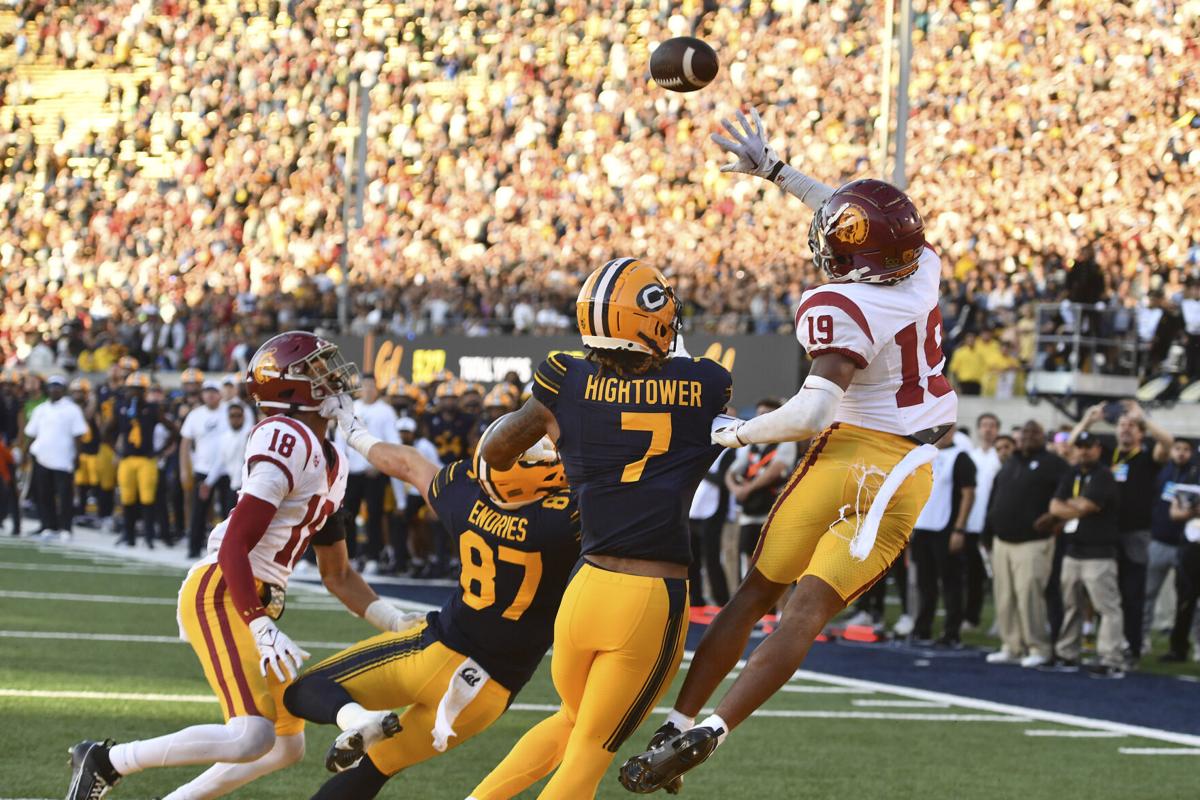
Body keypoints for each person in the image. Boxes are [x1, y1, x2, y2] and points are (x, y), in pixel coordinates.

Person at [620, 109, 956, 792]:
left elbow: (810, 411)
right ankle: (715, 731)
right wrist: (778, 173)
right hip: (911, 472)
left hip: (850, 453)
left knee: (753, 596)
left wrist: (733, 432)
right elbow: (858, 219)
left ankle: (678, 723)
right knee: (807, 612)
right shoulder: (923, 265)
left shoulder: (841, 303)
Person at [66, 332, 398, 800]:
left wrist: (396, 619)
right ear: (289, 386)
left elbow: (337, 573)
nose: (333, 378)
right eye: (317, 370)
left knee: (285, 746)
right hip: (224, 590)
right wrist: (258, 623)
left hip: (254, 594)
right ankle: (105, 761)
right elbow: (235, 543)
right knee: (251, 735)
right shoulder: (286, 435)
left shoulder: (333, 457)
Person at [467, 257, 732, 800]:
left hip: (584, 590)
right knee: (588, 755)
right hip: (649, 598)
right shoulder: (705, 381)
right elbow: (682, 381)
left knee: (571, 721)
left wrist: (554, 436)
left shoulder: (564, 377)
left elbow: (495, 450)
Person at [285, 404, 579, 799]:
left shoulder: (464, 497)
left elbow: (407, 464)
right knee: (376, 769)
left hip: (437, 653)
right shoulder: (566, 521)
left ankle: (359, 719)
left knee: (303, 691)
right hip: (492, 693)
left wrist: (355, 433)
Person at [1071, 400, 1172, 661]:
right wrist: (1088, 421)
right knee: (1106, 594)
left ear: (1140, 433)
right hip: (1107, 533)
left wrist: (1144, 418)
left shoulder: (1148, 455)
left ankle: (1133, 647)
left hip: (1136, 533)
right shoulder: (1107, 454)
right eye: (1122, 425)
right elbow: (1073, 447)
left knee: (1132, 592)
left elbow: (1168, 444)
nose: (1125, 429)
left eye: (1131, 426)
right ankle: (1109, 643)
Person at [984, 420, 1069, 667]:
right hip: (1002, 540)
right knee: (1005, 596)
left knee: (1030, 595)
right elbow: (995, 497)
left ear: (1043, 436)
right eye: (1026, 432)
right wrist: (987, 531)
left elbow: (1067, 495)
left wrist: (1055, 517)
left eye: (1035, 432)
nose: (1029, 437)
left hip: (1033, 541)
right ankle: (1011, 645)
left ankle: (1038, 647)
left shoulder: (1054, 464)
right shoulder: (1011, 462)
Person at [1046, 432, 1126, 678]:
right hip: (1074, 551)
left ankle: (1111, 659)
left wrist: (1070, 506)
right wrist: (1075, 506)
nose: (1083, 451)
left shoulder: (1104, 475)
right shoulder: (1073, 474)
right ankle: (1066, 653)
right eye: (1079, 447)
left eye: (1088, 447)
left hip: (1099, 552)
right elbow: (1054, 507)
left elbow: (1089, 506)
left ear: (1098, 449)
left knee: (1107, 607)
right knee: (1071, 605)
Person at [911, 427, 976, 646]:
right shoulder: (922, 453)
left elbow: (969, 494)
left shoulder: (961, 457)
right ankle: (922, 628)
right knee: (924, 582)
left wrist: (959, 528)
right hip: (922, 527)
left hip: (945, 527)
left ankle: (951, 632)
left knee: (951, 582)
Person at [726, 399, 797, 579]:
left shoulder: (785, 442)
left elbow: (775, 471)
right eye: (759, 413)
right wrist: (736, 489)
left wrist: (748, 488)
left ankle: (779, 608)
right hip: (749, 513)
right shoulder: (752, 444)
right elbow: (732, 472)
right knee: (746, 561)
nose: (761, 418)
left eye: (767, 414)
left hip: (772, 512)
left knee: (774, 564)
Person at [336, 374, 398, 571]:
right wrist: (342, 465)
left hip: (374, 471)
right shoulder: (352, 408)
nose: (368, 390)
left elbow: (392, 440)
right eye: (365, 386)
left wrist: (380, 464)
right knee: (347, 514)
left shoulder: (386, 411)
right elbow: (340, 439)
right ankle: (351, 555)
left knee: (375, 515)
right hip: (352, 470)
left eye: (371, 386)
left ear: (376, 388)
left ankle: (373, 556)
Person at [1144, 439, 1197, 648]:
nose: (1181, 453)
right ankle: (1142, 639)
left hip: (1188, 545)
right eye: (1178, 449)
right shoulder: (1162, 470)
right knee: (1148, 593)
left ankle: (1193, 642)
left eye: (1186, 449)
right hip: (1159, 540)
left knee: (1189, 598)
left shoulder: (1195, 473)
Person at [24, 374, 88, 539]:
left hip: (63, 459)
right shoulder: (41, 409)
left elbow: (78, 435)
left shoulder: (72, 409)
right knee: (43, 494)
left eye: (58, 386)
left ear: (63, 389)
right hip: (42, 457)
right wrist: (26, 452)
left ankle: (66, 528)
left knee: (65, 495)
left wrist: (77, 456)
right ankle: (48, 526)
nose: (54, 389)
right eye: (52, 386)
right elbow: (31, 433)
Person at [114, 372, 166, 548]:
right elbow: (108, 430)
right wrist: (117, 449)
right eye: (132, 389)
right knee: (127, 498)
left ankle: (149, 537)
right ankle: (128, 535)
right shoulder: (121, 408)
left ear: (144, 391)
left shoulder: (151, 409)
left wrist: (159, 451)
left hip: (146, 459)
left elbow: (173, 430)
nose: (134, 393)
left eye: (138, 389)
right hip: (127, 459)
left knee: (147, 499)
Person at [181, 380, 231, 557]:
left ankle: (227, 550)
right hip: (202, 468)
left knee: (228, 511)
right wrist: (184, 469)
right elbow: (185, 443)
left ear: (220, 393)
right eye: (207, 391)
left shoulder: (230, 411)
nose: (210, 395)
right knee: (198, 511)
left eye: (214, 391)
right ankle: (193, 548)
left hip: (227, 470)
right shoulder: (195, 415)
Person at [963, 412, 1001, 629]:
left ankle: (999, 619)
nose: (988, 429)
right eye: (985, 425)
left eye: (992, 425)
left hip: (992, 526)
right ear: (978, 429)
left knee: (997, 577)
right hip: (970, 524)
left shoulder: (1000, 458)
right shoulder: (970, 456)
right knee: (972, 576)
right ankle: (970, 617)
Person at [688, 449, 735, 607]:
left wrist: (700, 468)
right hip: (694, 509)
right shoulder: (701, 447)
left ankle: (722, 601)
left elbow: (724, 479)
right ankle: (696, 599)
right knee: (692, 558)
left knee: (712, 558)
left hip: (714, 510)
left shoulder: (729, 451)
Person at [1164, 485, 1200, 662]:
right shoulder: (1190, 480)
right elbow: (1174, 513)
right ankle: (1178, 649)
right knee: (1184, 600)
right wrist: (1193, 511)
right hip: (1191, 547)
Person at [204, 401, 254, 518]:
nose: (236, 419)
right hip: (234, 487)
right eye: (232, 416)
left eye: (239, 415)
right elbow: (219, 463)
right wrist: (208, 482)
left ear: (244, 417)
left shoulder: (251, 435)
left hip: (250, 489)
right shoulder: (224, 438)